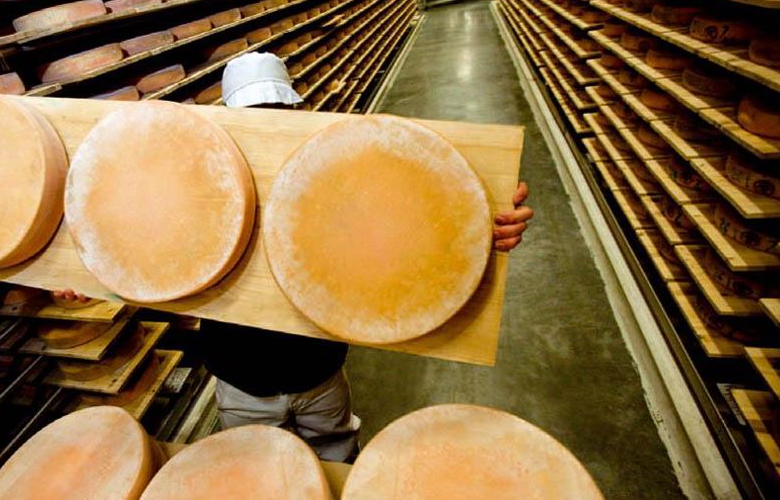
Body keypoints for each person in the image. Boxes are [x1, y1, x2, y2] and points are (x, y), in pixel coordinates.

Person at [57, 52, 534, 463]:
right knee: (261, 472)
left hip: (320, 373)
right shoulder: (198, 193)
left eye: (275, 111)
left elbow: (418, 223)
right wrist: (89, 280)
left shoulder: (335, 182)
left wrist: (483, 229)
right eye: (255, 115)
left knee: (336, 456)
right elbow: (137, 252)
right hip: (242, 384)